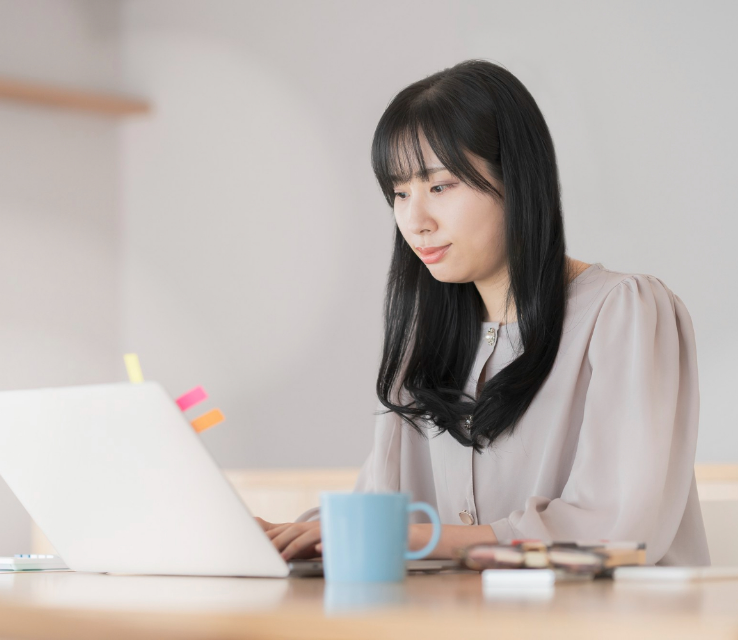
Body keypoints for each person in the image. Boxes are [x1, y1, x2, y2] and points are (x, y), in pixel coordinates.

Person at [256, 59, 710, 567]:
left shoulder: (624, 313)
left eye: (440, 186)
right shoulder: (427, 341)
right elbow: (382, 504)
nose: (415, 220)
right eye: (399, 193)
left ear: (515, 178)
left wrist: (430, 539)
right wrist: (294, 535)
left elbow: (617, 528)